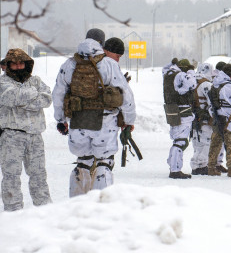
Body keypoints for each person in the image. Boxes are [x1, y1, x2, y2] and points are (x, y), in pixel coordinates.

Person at [52, 28, 136, 196]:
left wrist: (61, 120)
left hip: (78, 121)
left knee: (83, 163)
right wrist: (129, 120)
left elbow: (58, 94)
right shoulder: (109, 64)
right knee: (104, 163)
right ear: (102, 44)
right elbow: (126, 95)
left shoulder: (69, 64)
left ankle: (76, 204)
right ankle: (101, 205)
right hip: (104, 122)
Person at [0, 48, 53, 211]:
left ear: (27, 64)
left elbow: (47, 99)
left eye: (21, 63)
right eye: (14, 64)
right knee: (11, 175)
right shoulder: (3, 83)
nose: (18, 66)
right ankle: (13, 209)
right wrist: (31, 96)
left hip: (35, 136)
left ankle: (44, 207)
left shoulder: (36, 81)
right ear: (8, 65)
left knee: (39, 174)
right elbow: (10, 97)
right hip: (12, 136)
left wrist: (22, 100)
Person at [207, 63, 231, 177]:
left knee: (215, 144)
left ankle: (211, 167)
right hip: (229, 120)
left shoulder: (215, 85)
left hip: (218, 118)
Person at [163, 58, 197, 179]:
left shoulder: (168, 74)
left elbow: (165, 68)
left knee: (177, 140)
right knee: (181, 141)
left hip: (172, 110)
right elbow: (192, 84)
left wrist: (172, 63)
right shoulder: (180, 75)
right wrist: (191, 72)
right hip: (182, 110)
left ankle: (172, 164)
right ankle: (175, 169)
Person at [190, 63, 214, 175]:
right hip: (204, 118)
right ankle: (200, 165)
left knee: (197, 143)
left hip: (194, 117)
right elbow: (212, 103)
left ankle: (197, 165)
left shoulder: (191, 81)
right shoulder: (206, 84)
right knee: (206, 143)